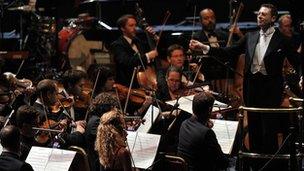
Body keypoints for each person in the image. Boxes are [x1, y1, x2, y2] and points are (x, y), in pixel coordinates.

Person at [189, 3, 302, 169]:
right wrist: (204, 47)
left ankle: (269, 166)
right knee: (254, 129)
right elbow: (229, 51)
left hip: (271, 91)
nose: (260, 16)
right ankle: (256, 165)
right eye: (259, 14)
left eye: (264, 14)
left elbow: (297, 61)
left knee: (268, 131)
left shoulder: (282, 40)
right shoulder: (250, 36)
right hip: (251, 90)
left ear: (273, 18)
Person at [193, 8, 243, 96]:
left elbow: (239, 47)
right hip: (208, 79)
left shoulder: (224, 34)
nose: (210, 20)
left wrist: (239, 34)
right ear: (200, 21)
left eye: (212, 18)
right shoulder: (196, 37)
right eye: (206, 18)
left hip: (227, 77)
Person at [178, 92, 229, 171]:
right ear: (209, 110)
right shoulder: (207, 133)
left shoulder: (184, 124)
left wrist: (205, 124)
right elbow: (222, 162)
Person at [110, 14, 158, 88]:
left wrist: (153, 38)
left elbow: (152, 54)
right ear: (123, 28)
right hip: (127, 87)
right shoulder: (117, 45)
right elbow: (127, 62)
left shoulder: (138, 41)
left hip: (143, 83)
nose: (135, 28)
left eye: (135, 25)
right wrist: (147, 56)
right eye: (131, 25)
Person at [85, 92, 120, 171]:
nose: (114, 111)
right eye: (112, 108)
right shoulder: (96, 121)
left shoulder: (95, 118)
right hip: (98, 165)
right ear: (106, 108)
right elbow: (107, 141)